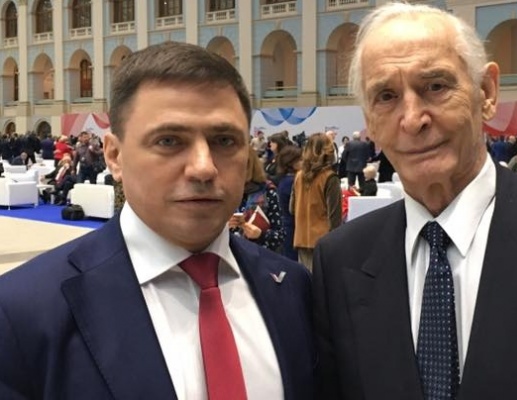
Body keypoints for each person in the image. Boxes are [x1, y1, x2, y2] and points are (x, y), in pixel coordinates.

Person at [312, 3, 517, 400]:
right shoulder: (341, 261)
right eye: (386, 96)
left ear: (486, 92)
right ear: (369, 119)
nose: (412, 119)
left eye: (435, 86)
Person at [0, 41, 314, 400]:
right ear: (114, 156)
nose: (203, 167)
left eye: (225, 140)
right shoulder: (22, 313)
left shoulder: (293, 288)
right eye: (169, 140)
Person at [290, 133, 342, 271]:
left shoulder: (299, 176)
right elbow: (335, 217)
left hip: (301, 239)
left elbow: (292, 209)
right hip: (324, 242)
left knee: (306, 280)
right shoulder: (330, 178)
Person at [228, 148, 285, 253]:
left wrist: (260, 234)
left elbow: (280, 235)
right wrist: (225, 227)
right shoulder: (227, 192)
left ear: (251, 167)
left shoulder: (268, 192)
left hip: (260, 255)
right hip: (231, 254)